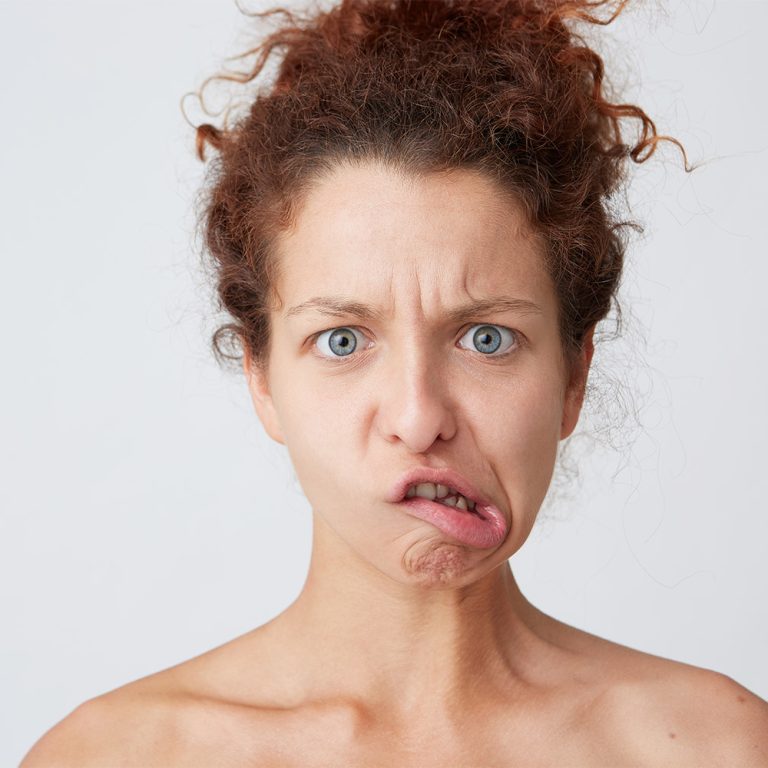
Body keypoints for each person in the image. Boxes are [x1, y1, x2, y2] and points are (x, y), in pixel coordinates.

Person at [21, 0, 768, 765]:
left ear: (574, 376)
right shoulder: (111, 756)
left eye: (486, 339)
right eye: (342, 341)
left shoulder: (722, 747)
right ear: (262, 380)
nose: (418, 418)